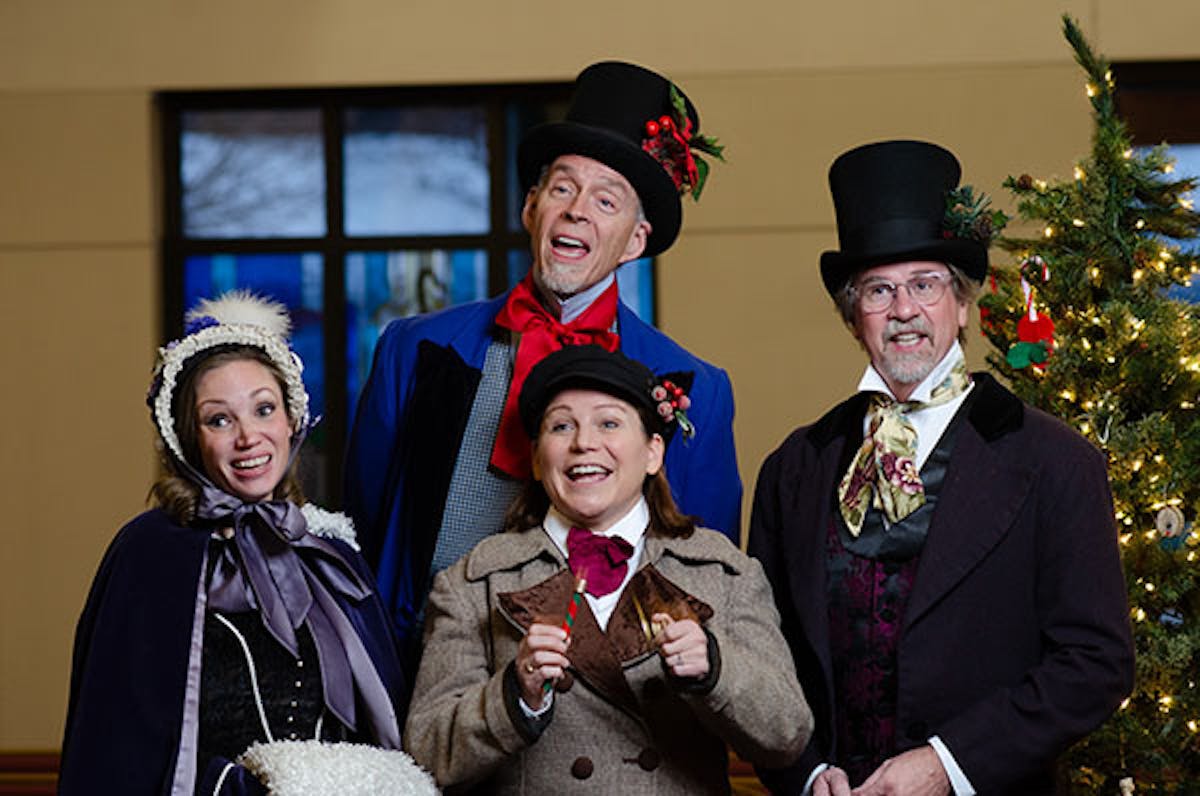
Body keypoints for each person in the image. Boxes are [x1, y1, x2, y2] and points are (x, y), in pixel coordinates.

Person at [747, 140, 1135, 795]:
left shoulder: (1056, 462)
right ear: (853, 319)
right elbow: (761, 651)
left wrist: (949, 766)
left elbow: (1095, 663)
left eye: (924, 285)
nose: (903, 310)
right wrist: (806, 772)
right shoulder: (794, 468)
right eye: (878, 290)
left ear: (961, 307)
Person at [344, 60, 741, 694]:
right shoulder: (413, 350)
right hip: (424, 686)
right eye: (562, 189)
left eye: (605, 201)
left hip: (607, 712)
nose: (578, 212)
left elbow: (702, 575)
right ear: (532, 208)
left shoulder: (694, 385)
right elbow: (365, 529)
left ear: (635, 239)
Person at [59, 292, 433, 795]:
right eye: (219, 419)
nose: (249, 436)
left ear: (291, 420)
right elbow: (121, 745)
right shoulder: (148, 554)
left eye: (263, 410)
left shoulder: (330, 552)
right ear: (188, 439)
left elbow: (381, 721)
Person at [403, 345, 811, 794]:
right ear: (538, 461)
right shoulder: (472, 584)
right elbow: (426, 755)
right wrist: (514, 696)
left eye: (609, 423)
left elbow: (787, 736)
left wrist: (715, 668)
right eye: (561, 426)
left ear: (653, 452)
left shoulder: (725, 573)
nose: (583, 442)